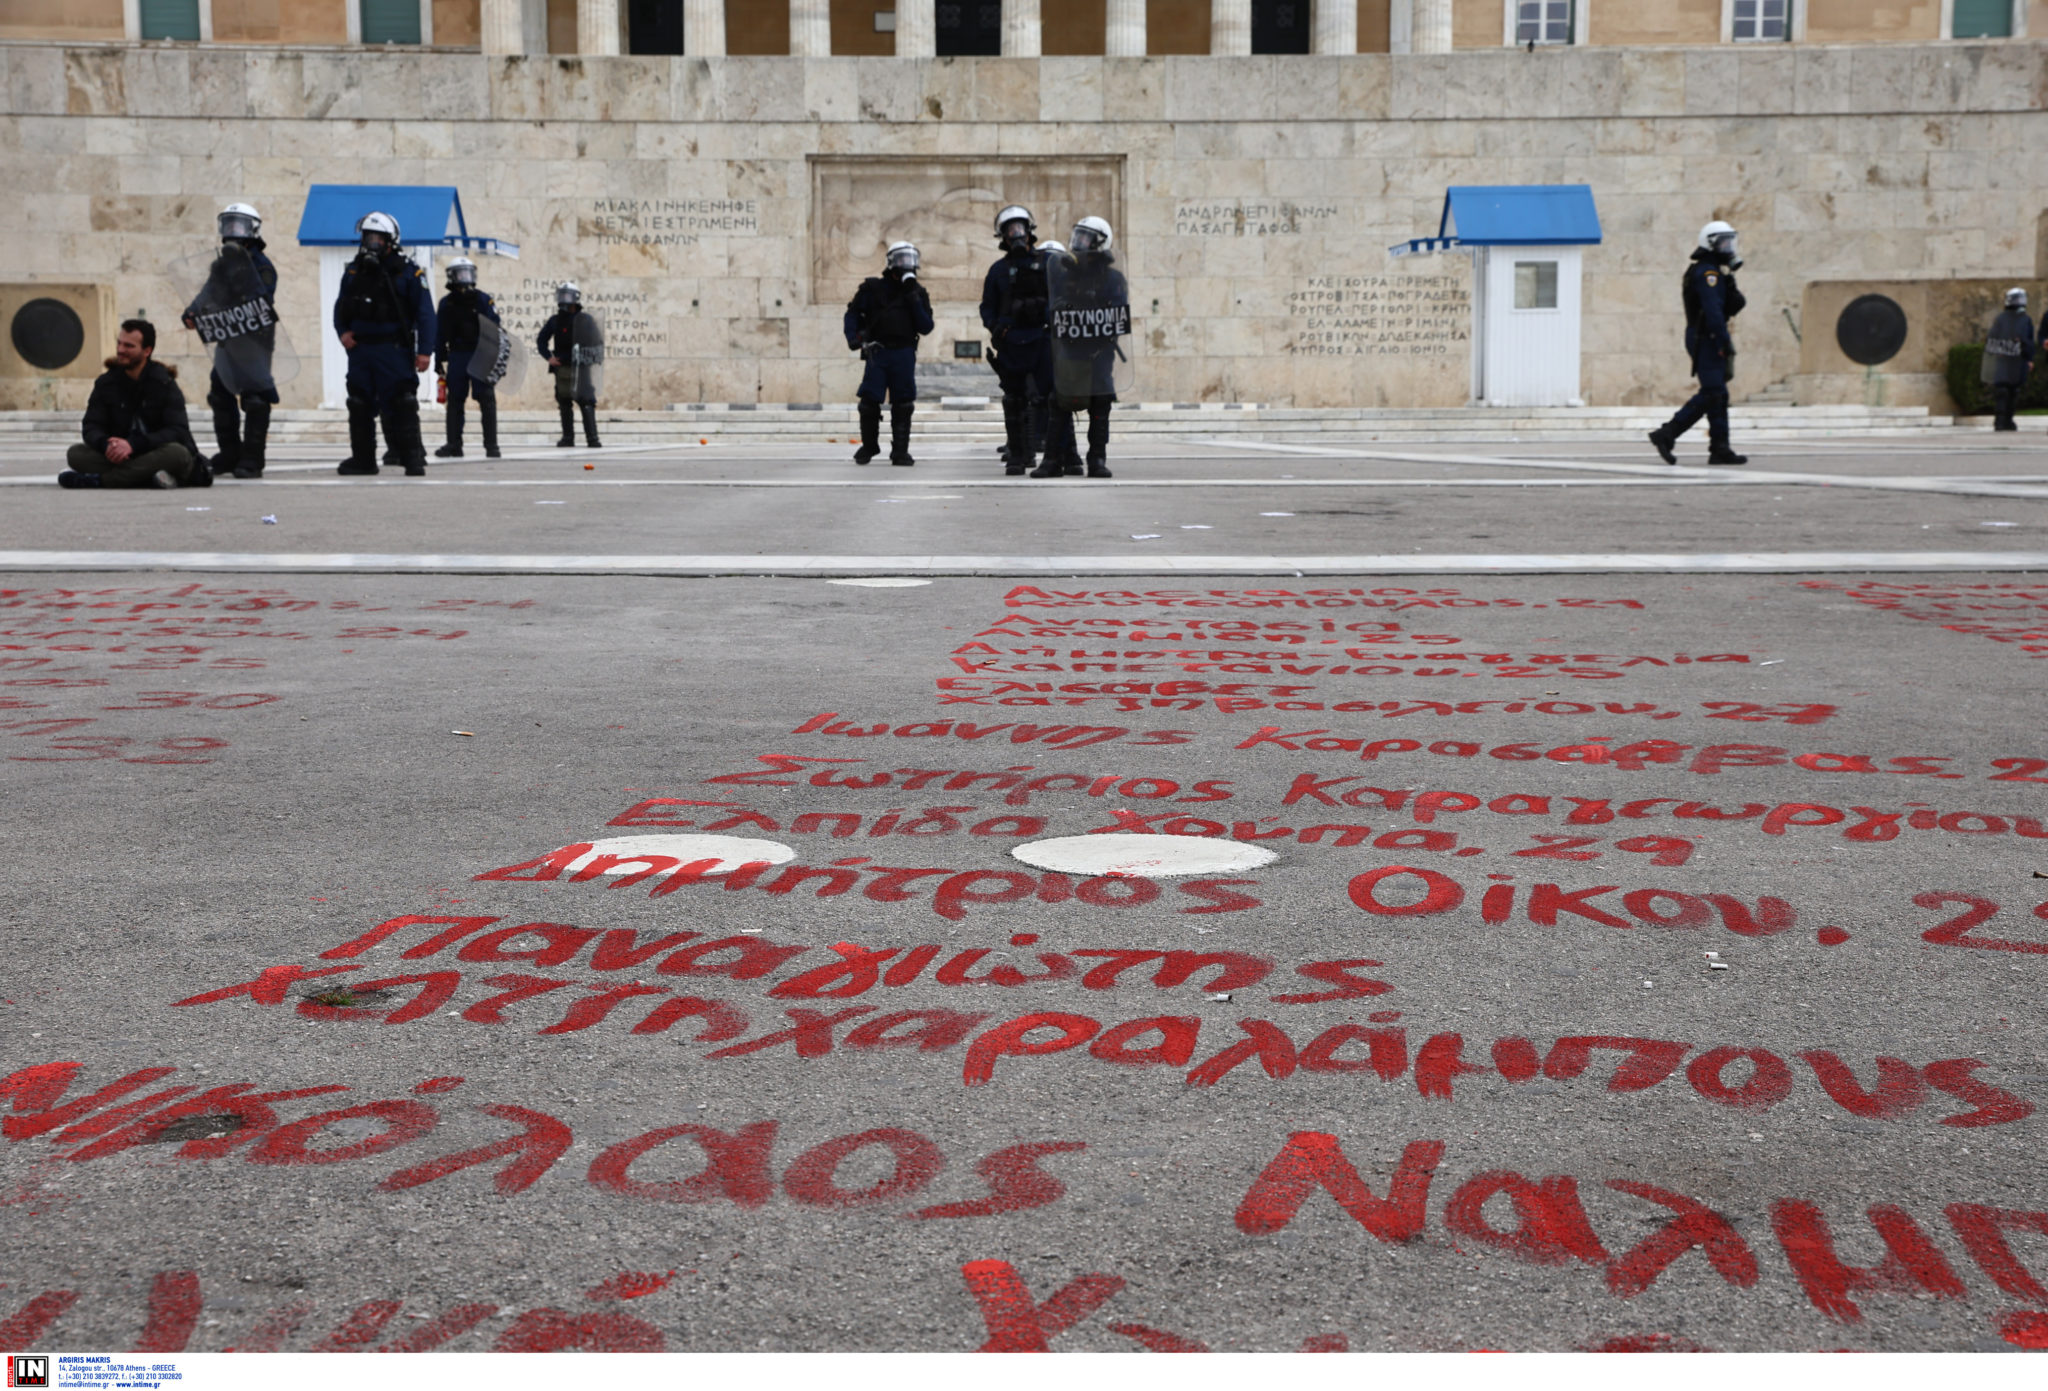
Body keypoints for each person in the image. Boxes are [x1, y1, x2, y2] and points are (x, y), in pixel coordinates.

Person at [334, 211, 435, 477]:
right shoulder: (355, 271)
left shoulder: (408, 272)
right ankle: (363, 460)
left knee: (403, 402)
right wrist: (343, 333)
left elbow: (425, 314)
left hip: (394, 349)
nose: (372, 243)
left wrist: (425, 351)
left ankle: (412, 459)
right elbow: (340, 308)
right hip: (361, 351)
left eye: (378, 238)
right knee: (359, 403)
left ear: (391, 240)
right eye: (368, 237)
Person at [182, 203, 277, 480]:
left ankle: (252, 459)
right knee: (220, 395)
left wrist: (242, 271)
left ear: (253, 231)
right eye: (229, 225)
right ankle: (230, 453)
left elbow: (263, 299)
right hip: (225, 340)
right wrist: (193, 311)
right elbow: (208, 292)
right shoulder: (220, 266)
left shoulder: (263, 266)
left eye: (239, 226)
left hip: (253, 342)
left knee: (256, 398)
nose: (233, 232)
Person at [59, 320, 204, 490]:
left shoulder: (164, 383)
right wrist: (107, 446)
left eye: (129, 346)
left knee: (177, 454)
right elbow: (91, 426)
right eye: (119, 343)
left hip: (154, 452)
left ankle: (100, 481)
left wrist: (134, 445)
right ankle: (149, 478)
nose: (121, 350)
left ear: (147, 351)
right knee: (76, 454)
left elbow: (177, 431)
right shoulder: (106, 383)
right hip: (123, 457)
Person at [1649, 220, 1748, 466]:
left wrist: (1731, 282)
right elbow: (1713, 311)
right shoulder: (1707, 273)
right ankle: (1667, 433)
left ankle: (1720, 448)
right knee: (1713, 391)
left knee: (1719, 395)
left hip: (1710, 335)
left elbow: (1735, 305)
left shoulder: (1716, 272)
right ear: (1711, 243)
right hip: (1706, 336)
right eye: (1723, 242)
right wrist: (1722, 341)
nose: (1728, 247)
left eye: (1729, 242)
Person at [1035, 215, 1127, 480]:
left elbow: (1118, 315)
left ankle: (1097, 459)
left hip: (1099, 352)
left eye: (1085, 237)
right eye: (1078, 235)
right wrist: (1064, 305)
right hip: (1071, 350)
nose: (1078, 242)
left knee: (1101, 404)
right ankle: (1052, 460)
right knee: (1060, 402)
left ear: (1100, 242)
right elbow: (1051, 307)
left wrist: (1096, 305)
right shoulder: (1064, 275)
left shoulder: (1114, 279)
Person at [844, 241, 934, 465]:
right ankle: (869, 446)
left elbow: (926, 326)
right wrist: (854, 338)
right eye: (902, 259)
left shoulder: (918, 292)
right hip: (878, 351)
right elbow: (852, 314)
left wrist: (914, 299)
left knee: (903, 402)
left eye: (910, 260)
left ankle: (900, 451)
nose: (906, 264)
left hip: (903, 353)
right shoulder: (872, 288)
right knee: (868, 401)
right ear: (892, 262)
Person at [981, 205, 1051, 476]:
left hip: (1040, 340)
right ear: (1003, 236)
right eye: (1011, 230)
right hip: (1012, 343)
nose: (1016, 234)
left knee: (1049, 399)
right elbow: (987, 307)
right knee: (1014, 400)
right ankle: (1019, 456)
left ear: (1029, 231)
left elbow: (1059, 297)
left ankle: (1054, 456)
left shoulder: (1046, 263)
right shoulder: (998, 270)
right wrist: (997, 329)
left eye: (1020, 228)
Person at [433, 258, 503, 459]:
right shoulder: (446, 304)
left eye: (467, 273)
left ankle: (492, 445)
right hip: (457, 355)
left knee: (487, 399)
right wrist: (439, 359)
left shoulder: (483, 300)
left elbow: (496, 329)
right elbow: (440, 334)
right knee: (455, 400)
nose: (464, 278)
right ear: (452, 277)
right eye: (460, 273)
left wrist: (496, 359)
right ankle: (454, 444)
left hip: (481, 354)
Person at [537, 282, 601, 449]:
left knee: (586, 401)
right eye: (562, 295)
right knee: (564, 402)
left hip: (581, 366)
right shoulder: (555, 320)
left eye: (568, 295)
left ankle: (592, 439)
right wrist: (549, 357)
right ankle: (568, 437)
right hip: (563, 367)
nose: (564, 299)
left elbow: (597, 342)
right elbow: (541, 340)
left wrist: (589, 357)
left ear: (576, 298)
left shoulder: (585, 319)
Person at [1983, 288, 2036, 432]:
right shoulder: (2002, 318)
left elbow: (2029, 340)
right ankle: (2000, 420)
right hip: (2004, 359)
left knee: (2014, 391)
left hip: (2018, 360)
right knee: (2002, 390)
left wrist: (2029, 358)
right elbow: (1992, 338)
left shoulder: (2025, 319)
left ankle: (2008, 419)